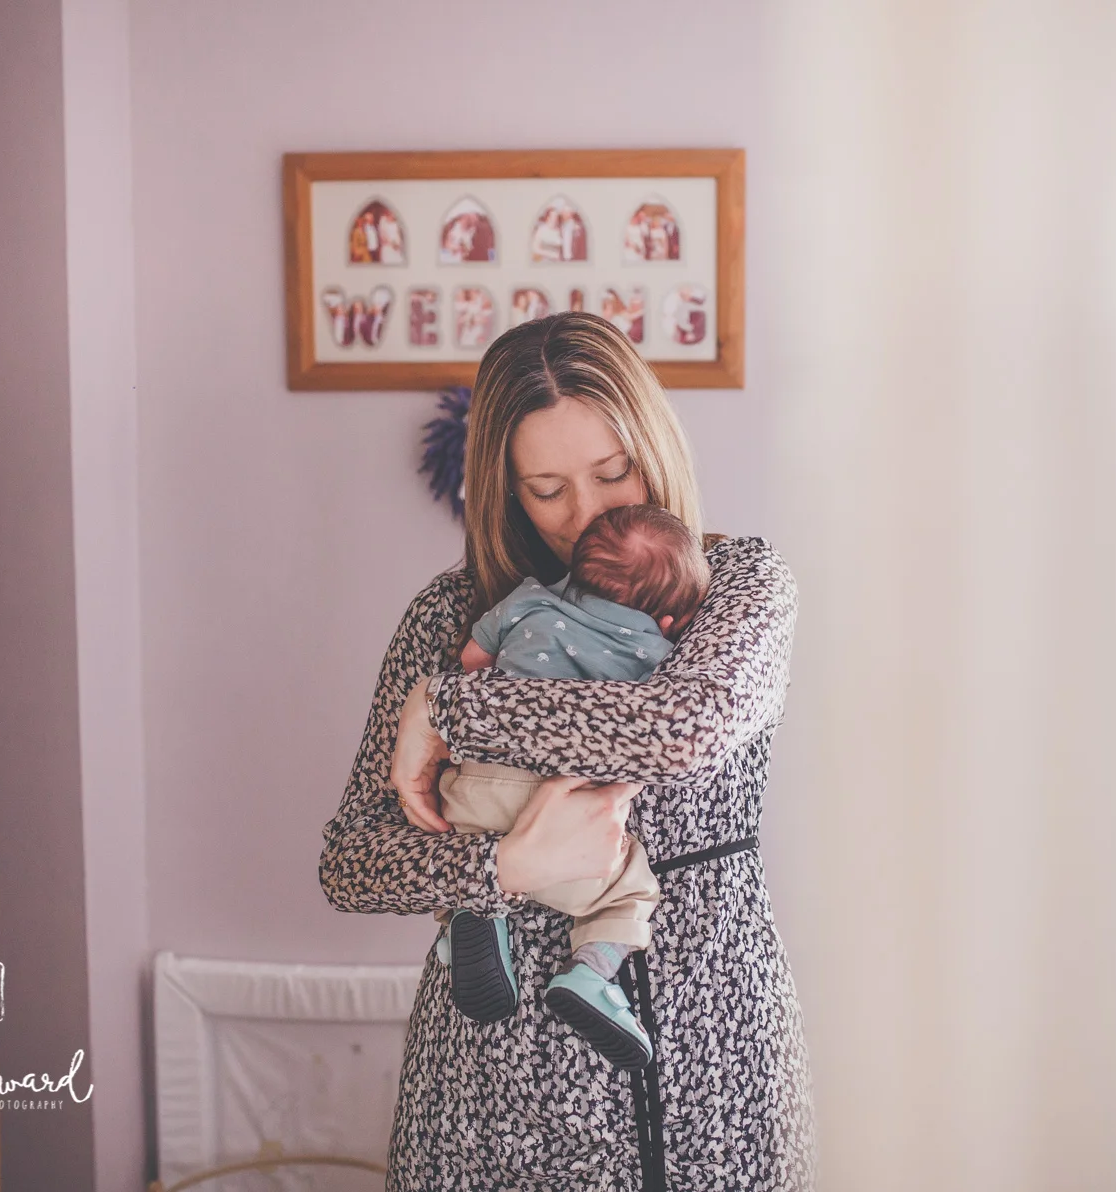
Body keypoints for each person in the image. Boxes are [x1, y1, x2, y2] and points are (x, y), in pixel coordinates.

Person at [319, 311, 816, 1191]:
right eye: (547, 489)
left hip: (714, 1054)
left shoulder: (740, 585)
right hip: (497, 1082)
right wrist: (501, 868)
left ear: (654, 447)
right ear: (507, 490)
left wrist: (450, 707)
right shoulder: (451, 613)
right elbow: (351, 863)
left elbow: (679, 727)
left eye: (613, 473)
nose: (588, 513)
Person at [429, 503, 711, 1072]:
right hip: (564, 813)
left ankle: (472, 914)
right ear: (666, 620)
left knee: (467, 854)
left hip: (475, 789)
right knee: (630, 891)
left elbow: (470, 661)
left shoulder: (529, 599)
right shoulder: (654, 656)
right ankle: (591, 975)